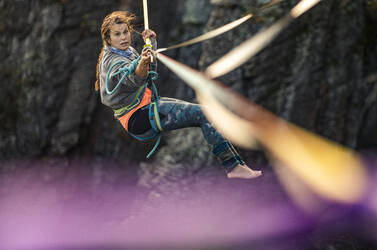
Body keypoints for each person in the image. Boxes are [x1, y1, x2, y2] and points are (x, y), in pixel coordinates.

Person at [95, 11, 261, 179]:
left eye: (125, 32)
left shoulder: (127, 51)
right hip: (139, 116)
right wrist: (141, 64)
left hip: (145, 108)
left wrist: (150, 45)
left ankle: (236, 164)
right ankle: (232, 167)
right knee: (205, 113)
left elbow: (149, 73)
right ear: (108, 39)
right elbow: (133, 78)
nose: (123, 37)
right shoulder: (113, 62)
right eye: (117, 34)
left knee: (207, 112)